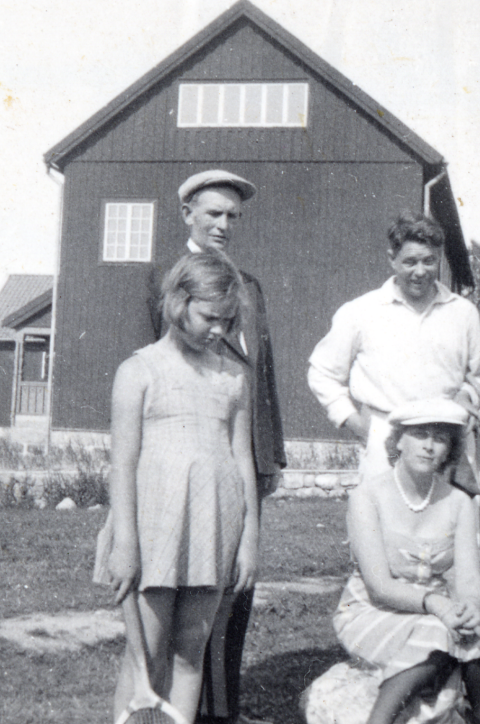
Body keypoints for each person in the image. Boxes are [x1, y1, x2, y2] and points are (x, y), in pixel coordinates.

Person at [96, 251, 260, 724]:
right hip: (152, 527)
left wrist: (249, 538)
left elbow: (243, 460)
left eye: (228, 322)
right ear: (178, 302)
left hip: (214, 525)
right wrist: (125, 541)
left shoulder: (233, 377)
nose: (219, 331)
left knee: (191, 651)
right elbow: (122, 465)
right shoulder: (139, 371)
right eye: (210, 317)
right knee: (144, 651)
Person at [147, 169, 286, 724]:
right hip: (188, 459)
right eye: (214, 214)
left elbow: (262, 375)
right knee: (185, 589)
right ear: (187, 214)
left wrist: (269, 452)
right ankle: (177, 709)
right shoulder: (165, 278)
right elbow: (154, 373)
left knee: (236, 589)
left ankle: (222, 709)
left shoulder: (249, 286)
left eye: (233, 217)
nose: (224, 225)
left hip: (243, 458)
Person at [333, 399, 480, 724]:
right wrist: (439, 606)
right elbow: (379, 586)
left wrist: (472, 605)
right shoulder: (367, 496)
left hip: (433, 609)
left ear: (450, 449)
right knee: (438, 630)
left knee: (479, 632)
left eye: (441, 438)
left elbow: (469, 575)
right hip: (371, 611)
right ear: (399, 441)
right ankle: (380, 719)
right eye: (421, 435)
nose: (430, 447)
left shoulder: (459, 501)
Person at [307, 210, 480, 487]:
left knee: (454, 527)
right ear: (392, 260)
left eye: (429, 261)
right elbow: (322, 373)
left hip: (449, 442)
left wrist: (468, 395)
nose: (420, 271)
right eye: (410, 262)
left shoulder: (463, 313)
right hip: (385, 441)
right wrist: (356, 424)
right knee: (384, 527)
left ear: (439, 258)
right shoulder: (360, 312)